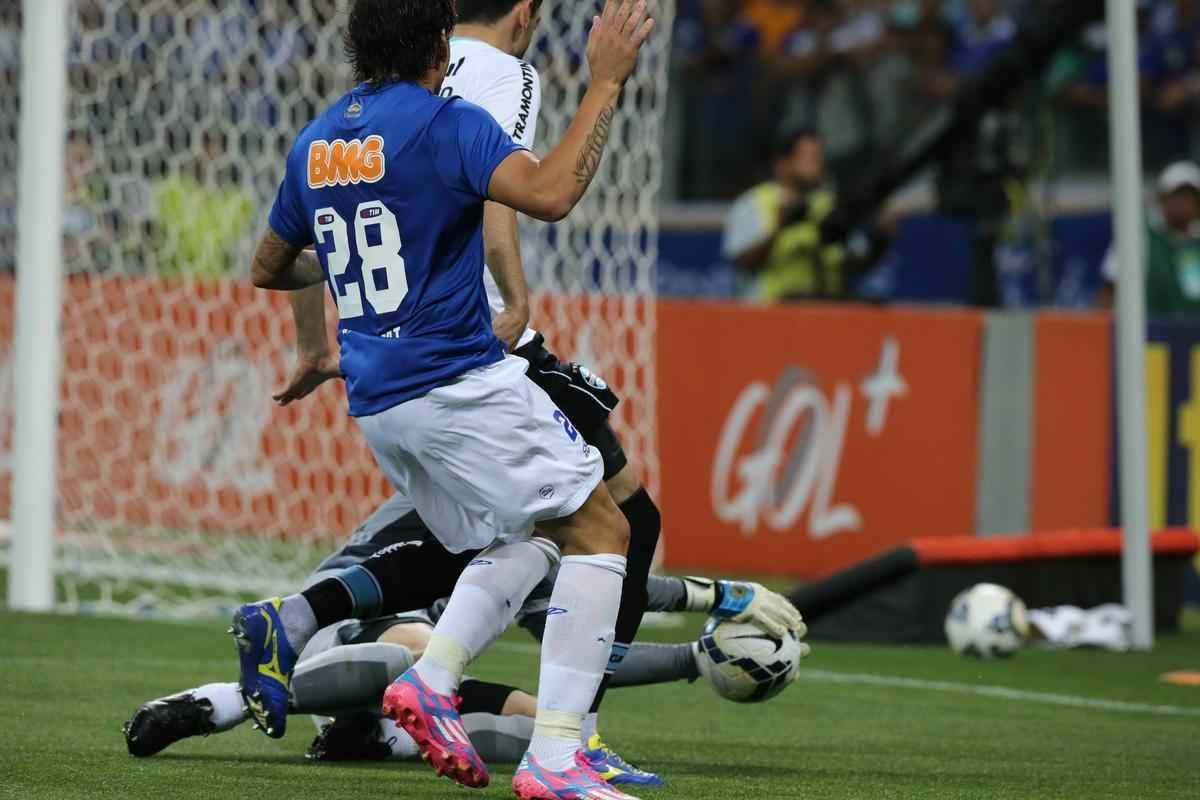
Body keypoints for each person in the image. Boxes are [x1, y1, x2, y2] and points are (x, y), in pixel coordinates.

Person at [237, 2, 656, 798]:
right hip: (454, 380)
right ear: (438, 48)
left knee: (532, 539)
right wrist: (605, 83)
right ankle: (558, 757)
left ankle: (432, 681)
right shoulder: (447, 123)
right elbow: (553, 193)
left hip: (380, 403)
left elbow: (270, 265)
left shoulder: (318, 140)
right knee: (607, 527)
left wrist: (348, 301)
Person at [123, 498, 807, 763]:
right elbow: (605, 576)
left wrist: (696, 655)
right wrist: (718, 593)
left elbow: (592, 644)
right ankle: (210, 702)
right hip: (344, 634)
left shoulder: (520, 524)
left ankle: (372, 736)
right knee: (415, 656)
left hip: (420, 661)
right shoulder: (476, 499)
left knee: (550, 726)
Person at [722, 125, 887, 301]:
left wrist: (881, 240)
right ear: (782, 164)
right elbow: (744, 265)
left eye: (819, 156)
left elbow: (854, 265)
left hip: (825, 311)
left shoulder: (828, 204)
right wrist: (779, 228)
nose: (818, 164)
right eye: (808, 158)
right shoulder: (754, 203)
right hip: (771, 313)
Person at [1099, 160, 1200, 314]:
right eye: (1177, 196)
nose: (1184, 203)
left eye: (1190, 197)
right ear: (1162, 198)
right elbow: (1110, 289)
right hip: (1149, 334)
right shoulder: (1137, 235)